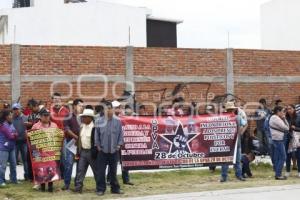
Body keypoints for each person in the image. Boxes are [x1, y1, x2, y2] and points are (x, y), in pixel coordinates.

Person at [95, 102, 124, 196]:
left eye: (110, 108)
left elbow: (120, 134)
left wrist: (119, 145)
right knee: (101, 171)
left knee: (113, 171)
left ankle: (115, 188)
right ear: (103, 110)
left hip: (114, 150)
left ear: (112, 109)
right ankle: (101, 189)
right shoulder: (98, 121)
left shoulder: (118, 121)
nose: (108, 110)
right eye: (106, 109)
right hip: (102, 151)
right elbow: (96, 135)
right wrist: (98, 146)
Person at [31, 108, 58, 192]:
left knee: (51, 169)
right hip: (39, 152)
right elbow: (32, 140)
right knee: (41, 169)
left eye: (48, 115)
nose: (46, 117)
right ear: (40, 116)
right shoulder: (35, 126)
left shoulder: (54, 125)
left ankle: (50, 187)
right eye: (44, 115)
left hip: (51, 152)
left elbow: (57, 137)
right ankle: (42, 187)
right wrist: (35, 154)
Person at [220, 102, 247, 182]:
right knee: (237, 160)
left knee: (226, 160)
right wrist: (240, 133)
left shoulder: (223, 118)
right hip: (236, 141)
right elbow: (245, 124)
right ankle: (239, 175)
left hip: (227, 142)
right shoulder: (238, 117)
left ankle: (224, 177)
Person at [74, 109, 99, 194]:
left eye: (84, 117)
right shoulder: (81, 126)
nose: (83, 118)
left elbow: (97, 142)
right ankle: (78, 188)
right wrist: (78, 152)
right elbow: (79, 140)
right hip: (83, 152)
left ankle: (99, 187)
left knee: (96, 171)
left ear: (90, 118)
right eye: (82, 117)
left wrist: (96, 153)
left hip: (92, 153)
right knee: (80, 170)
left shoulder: (95, 128)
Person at [62, 99, 84, 191]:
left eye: (82, 106)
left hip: (81, 144)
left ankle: (77, 183)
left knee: (80, 165)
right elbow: (67, 129)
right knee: (69, 164)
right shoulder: (68, 116)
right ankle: (66, 184)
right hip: (70, 143)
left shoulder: (83, 117)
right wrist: (76, 137)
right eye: (79, 105)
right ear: (74, 106)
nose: (81, 107)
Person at [269, 106, 290, 180]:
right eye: (282, 111)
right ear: (278, 111)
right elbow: (287, 128)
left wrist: (283, 118)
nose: (283, 113)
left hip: (278, 139)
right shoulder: (275, 118)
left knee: (279, 157)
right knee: (283, 157)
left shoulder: (274, 117)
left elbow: (287, 127)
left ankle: (277, 173)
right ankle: (278, 174)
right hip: (278, 140)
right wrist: (284, 118)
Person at [0, 109, 18, 187]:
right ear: (6, 117)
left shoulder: (11, 124)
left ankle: (14, 179)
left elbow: (16, 132)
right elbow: (10, 136)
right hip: (4, 148)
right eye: (10, 115)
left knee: (13, 164)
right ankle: (1, 181)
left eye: (11, 115)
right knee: (3, 166)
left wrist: (14, 134)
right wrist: (14, 134)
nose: (11, 116)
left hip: (12, 147)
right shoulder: (3, 125)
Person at [12, 103, 29, 181]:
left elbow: (29, 128)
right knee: (13, 160)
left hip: (24, 142)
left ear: (20, 109)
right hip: (14, 142)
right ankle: (13, 177)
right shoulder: (11, 118)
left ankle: (27, 176)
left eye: (17, 109)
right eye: (14, 109)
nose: (16, 111)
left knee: (25, 159)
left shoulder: (26, 117)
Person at [285, 104, 300, 177]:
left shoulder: (298, 117)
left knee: (298, 155)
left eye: (290, 108)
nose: (288, 110)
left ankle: (299, 172)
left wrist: (295, 128)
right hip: (288, 138)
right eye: (287, 109)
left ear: (294, 109)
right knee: (288, 156)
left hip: (297, 138)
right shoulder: (285, 118)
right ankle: (287, 171)